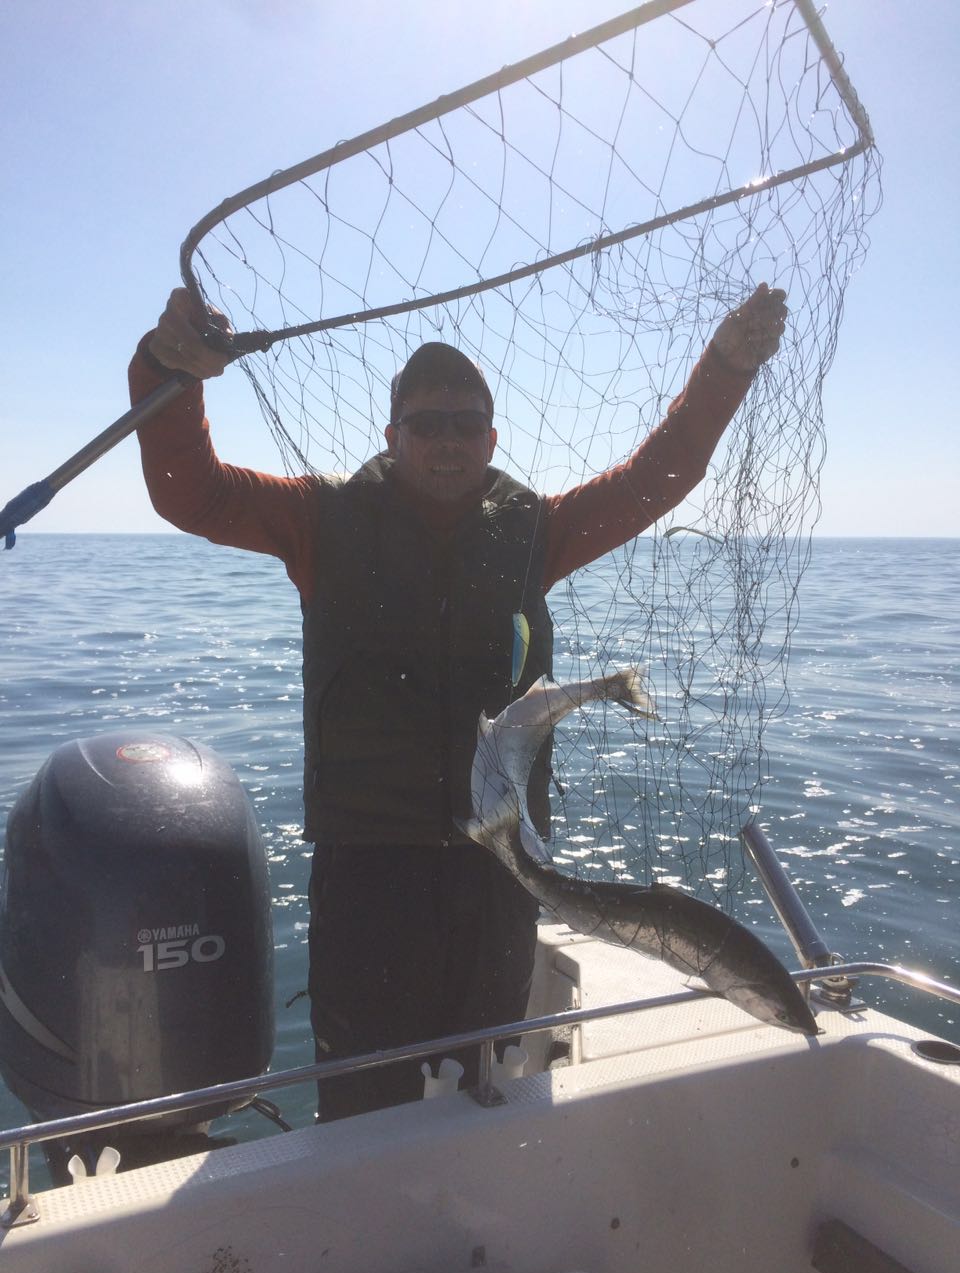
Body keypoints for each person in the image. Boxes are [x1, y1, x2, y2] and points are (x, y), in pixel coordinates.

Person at [130, 282, 787, 1120]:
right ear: (392, 435)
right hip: (370, 870)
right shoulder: (319, 518)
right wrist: (168, 372)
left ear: (491, 437)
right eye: (426, 425)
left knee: (487, 1086)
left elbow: (654, 480)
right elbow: (192, 493)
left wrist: (724, 369)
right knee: (366, 1097)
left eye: (465, 425)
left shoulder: (535, 529)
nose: (447, 442)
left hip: (501, 868)